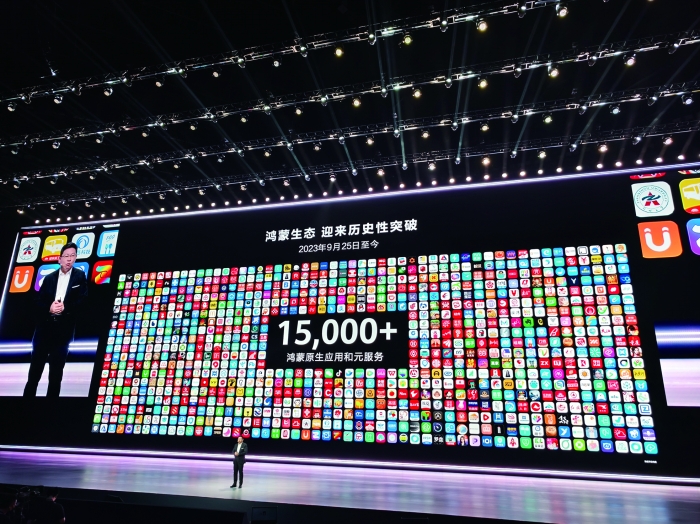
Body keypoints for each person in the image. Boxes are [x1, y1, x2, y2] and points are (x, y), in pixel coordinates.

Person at [23, 242, 88, 398]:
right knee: (34, 374)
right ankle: (24, 407)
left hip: (63, 332)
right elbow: (37, 301)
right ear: (59, 259)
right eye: (66, 256)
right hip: (44, 330)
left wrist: (65, 307)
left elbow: (83, 301)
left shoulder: (80, 276)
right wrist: (49, 307)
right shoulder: (49, 278)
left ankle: (50, 408)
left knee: (56, 375)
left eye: (73, 256)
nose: (69, 259)